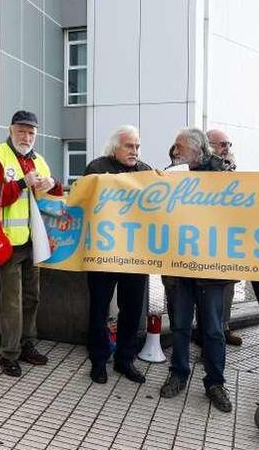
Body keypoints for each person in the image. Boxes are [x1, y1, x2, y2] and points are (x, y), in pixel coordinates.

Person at [0, 110, 63, 377]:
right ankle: (9, 353)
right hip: (9, 242)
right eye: (21, 131)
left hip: (34, 240)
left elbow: (53, 194)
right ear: (11, 130)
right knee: (12, 302)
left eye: (31, 133)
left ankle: (27, 344)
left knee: (31, 297)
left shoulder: (38, 159)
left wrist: (54, 184)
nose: (26, 137)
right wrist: (20, 183)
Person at [158, 128, 233, 412]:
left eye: (179, 147)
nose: (174, 151)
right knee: (179, 325)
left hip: (210, 266)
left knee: (213, 329)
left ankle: (215, 382)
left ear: (197, 150)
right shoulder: (172, 172)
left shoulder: (224, 173)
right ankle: (178, 373)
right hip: (178, 263)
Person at [84, 125, 152, 384]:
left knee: (132, 309)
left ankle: (125, 360)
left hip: (135, 253)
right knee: (99, 308)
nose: (134, 151)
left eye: (137, 146)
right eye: (129, 146)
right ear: (115, 146)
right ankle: (99, 361)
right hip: (103, 252)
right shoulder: (96, 168)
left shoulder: (145, 171)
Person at [205, 129, 241, 346]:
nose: (227, 148)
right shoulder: (200, 170)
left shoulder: (232, 170)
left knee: (227, 289)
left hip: (226, 241)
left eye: (228, 144)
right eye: (222, 144)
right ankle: (207, 334)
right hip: (204, 241)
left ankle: (223, 327)